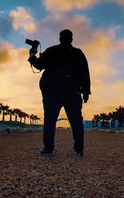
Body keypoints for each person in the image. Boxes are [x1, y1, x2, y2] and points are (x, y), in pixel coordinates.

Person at [28, 29, 91, 157]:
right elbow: (85, 73)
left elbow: (39, 65)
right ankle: (79, 150)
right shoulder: (78, 53)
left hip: (52, 92)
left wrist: (32, 55)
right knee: (76, 121)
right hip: (72, 92)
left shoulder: (52, 51)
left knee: (50, 120)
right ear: (71, 39)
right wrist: (86, 92)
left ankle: (48, 149)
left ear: (60, 39)